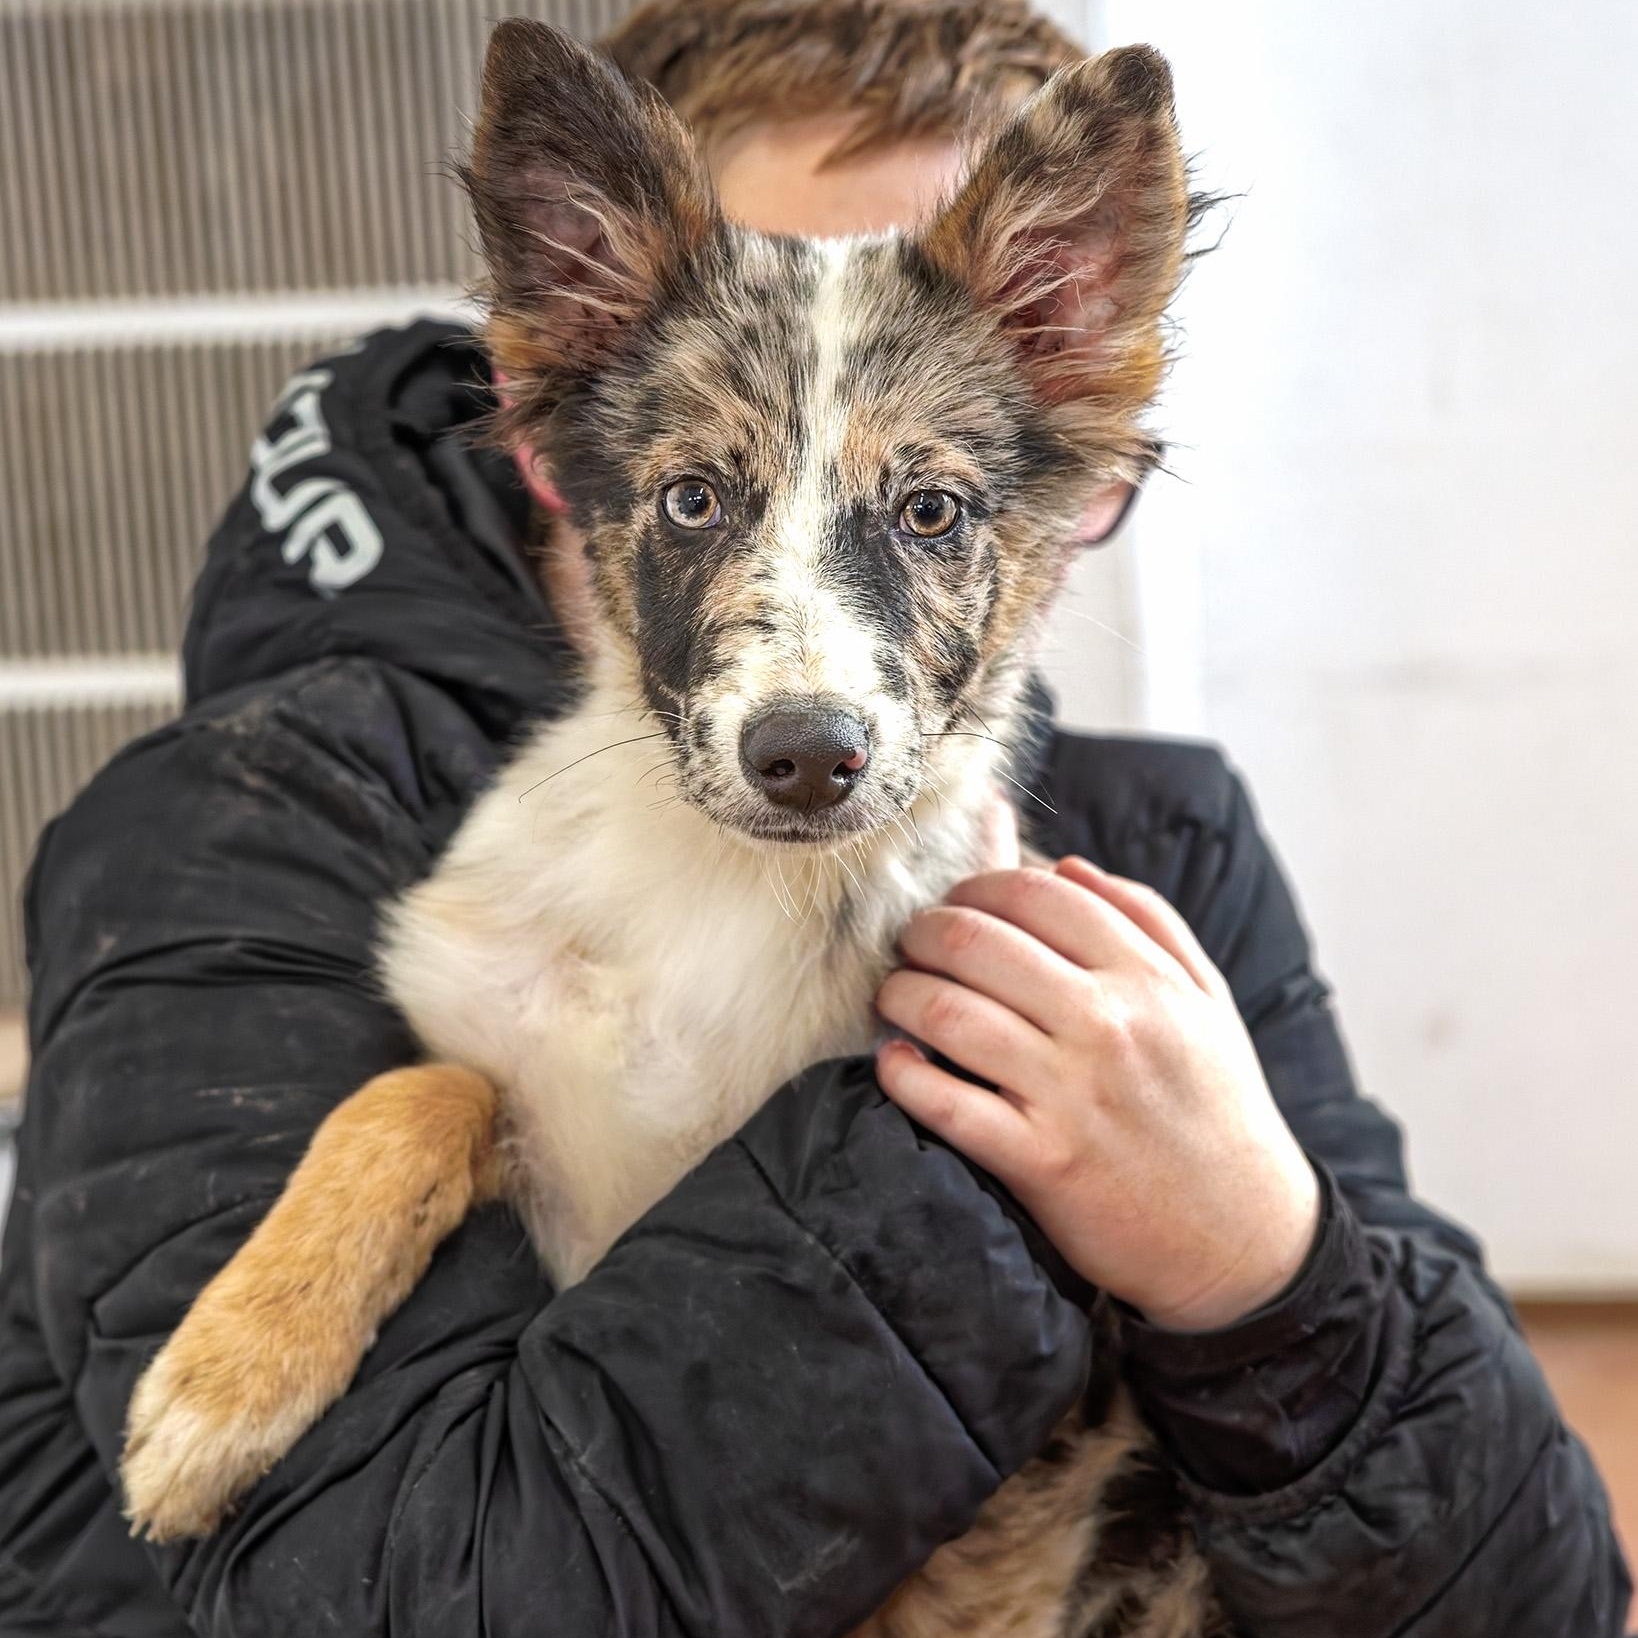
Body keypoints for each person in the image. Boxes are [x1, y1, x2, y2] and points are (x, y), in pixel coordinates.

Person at [0, 0, 1627, 1632]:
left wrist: (1263, 1268)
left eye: (926, 506)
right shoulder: (249, 831)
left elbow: (1538, 1596)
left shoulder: (1167, 858)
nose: (812, 677)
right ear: (560, 398)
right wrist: (925, 1157)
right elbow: (406, 1585)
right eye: (706, 491)